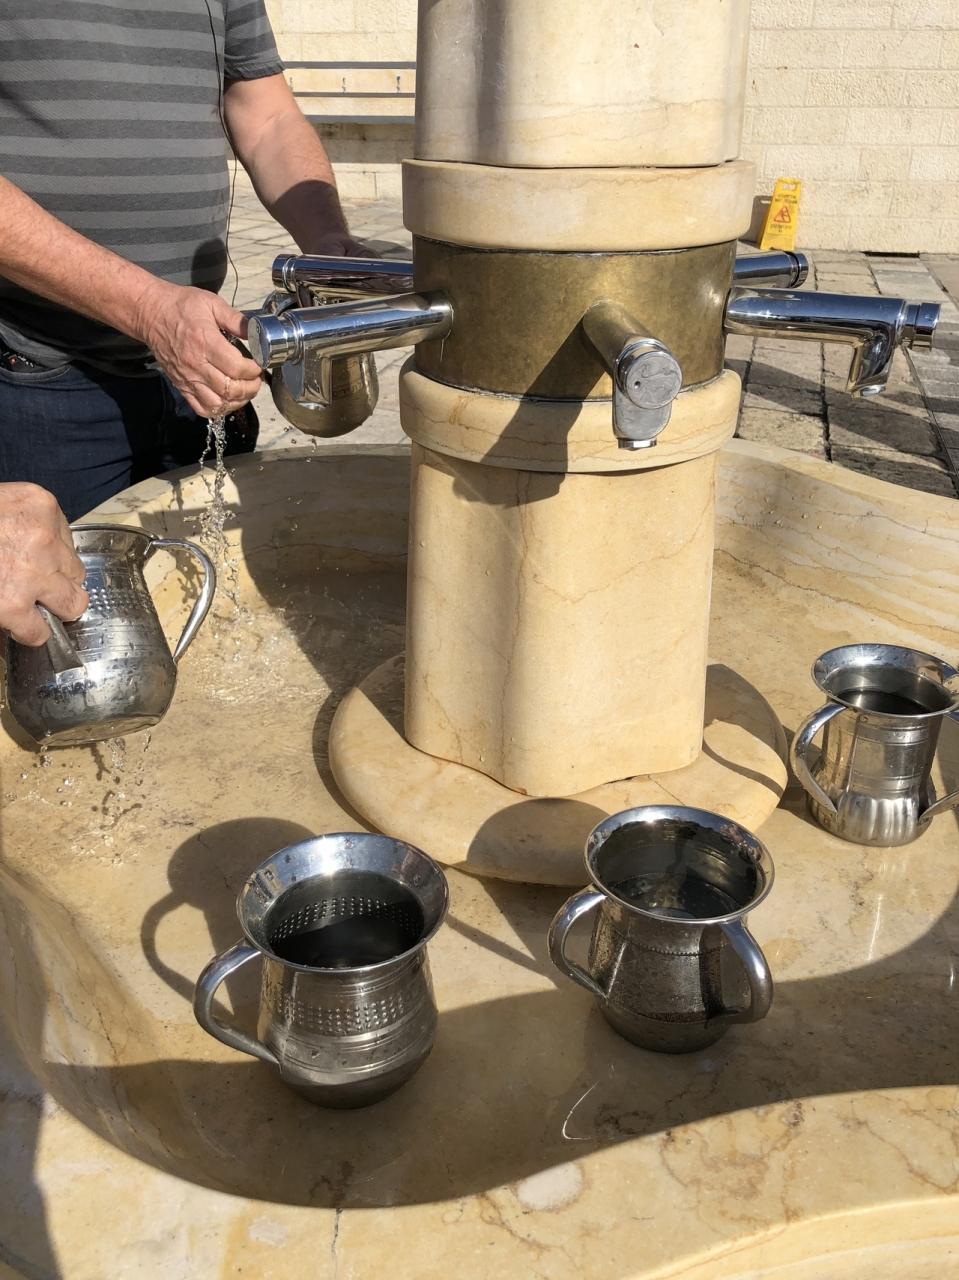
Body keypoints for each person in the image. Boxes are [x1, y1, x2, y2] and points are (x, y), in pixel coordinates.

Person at [0, 0, 359, 524]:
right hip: (42, 375)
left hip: (197, 364)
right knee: (65, 573)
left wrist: (329, 240)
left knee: (209, 568)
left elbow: (267, 117)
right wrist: (149, 308)